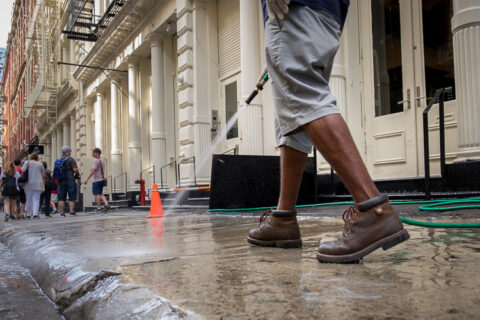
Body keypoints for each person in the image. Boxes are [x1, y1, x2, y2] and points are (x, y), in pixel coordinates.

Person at [248, 0, 409, 263]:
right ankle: (284, 218)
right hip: (325, 13)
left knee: (304, 97)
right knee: (294, 114)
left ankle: (374, 210)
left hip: (295, 8)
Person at [54, 146, 79, 217]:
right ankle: (71, 211)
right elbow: (75, 169)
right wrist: (77, 173)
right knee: (72, 196)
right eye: (70, 151)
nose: (71, 152)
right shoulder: (71, 159)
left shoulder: (58, 160)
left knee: (61, 197)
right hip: (70, 179)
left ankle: (62, 212)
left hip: (61, 180)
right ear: (67, 151)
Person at [83, 148, 110, 212]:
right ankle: (106, 204)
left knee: (97, 194)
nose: (92, 154)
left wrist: (87, 179)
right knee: (100, 193)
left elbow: (93, 171)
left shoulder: (95, 161)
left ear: (97, 153)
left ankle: (99, 208)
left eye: (93, 152)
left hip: (97, 180)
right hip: (101, 180)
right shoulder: (102, 160)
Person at [22, 153, 45, 219]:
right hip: (38, 183)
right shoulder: (40, 164)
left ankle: (28, 214)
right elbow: (43, 175)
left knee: (28, 200)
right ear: (37, 157)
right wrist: (43, 185)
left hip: (28, 183)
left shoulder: (27, 162)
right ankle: (35, 214)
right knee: (36, 199)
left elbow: (22, 170)